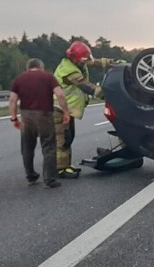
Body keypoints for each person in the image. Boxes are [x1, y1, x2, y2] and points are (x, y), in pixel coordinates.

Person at [52, 41, 118, 179]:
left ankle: (66, 165)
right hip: (57, 109)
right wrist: (108, 94)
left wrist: (114, 62)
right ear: (76, 59)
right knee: (62, 140)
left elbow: (94, 62)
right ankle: (61, 169)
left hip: (66, 110)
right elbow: (87, 87)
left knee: (68, 137)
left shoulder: (77, 62)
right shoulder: (68, 71)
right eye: (83, 60)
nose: (85, 62)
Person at [9, 58, 71, 189]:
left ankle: (30, 175)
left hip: (26, 116)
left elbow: (13, 100)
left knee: (27, 147)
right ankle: (50, 179)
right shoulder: (48, 77)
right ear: (41, 67)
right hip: (44, 115)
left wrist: (14, 118)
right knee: (48, 146)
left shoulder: (20, 79)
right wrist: (66, 112)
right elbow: (60, 95)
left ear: (28, 68)